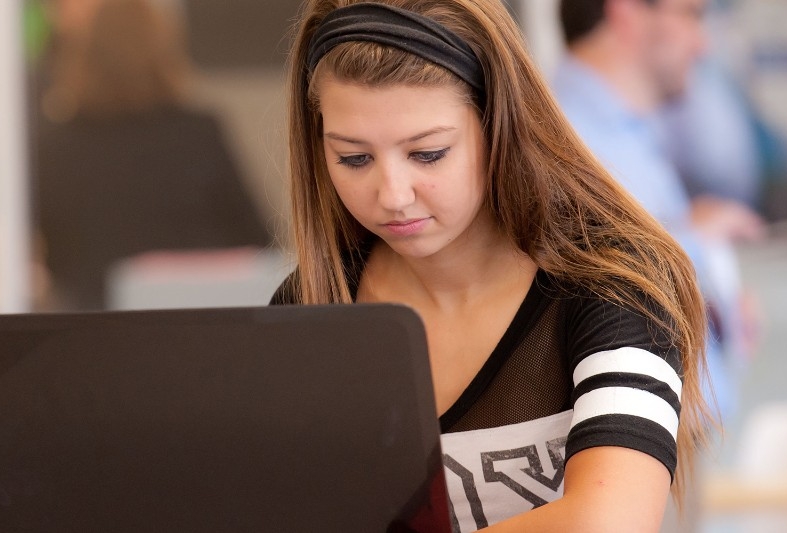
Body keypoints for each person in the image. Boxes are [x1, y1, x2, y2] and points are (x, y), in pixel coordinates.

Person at [271, 1, 711, 531]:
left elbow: (608, 522)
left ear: (499, 125)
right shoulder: (312, 306)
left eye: (428, 153)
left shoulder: (616, 285)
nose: (392, 194)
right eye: (353, 158)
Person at [32, 0, 272, 310]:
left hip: (94, 331)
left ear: (81, 53)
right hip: (202, 323)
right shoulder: (199, 133)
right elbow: (257, 240)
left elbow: (55, 260)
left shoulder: (55, 147)